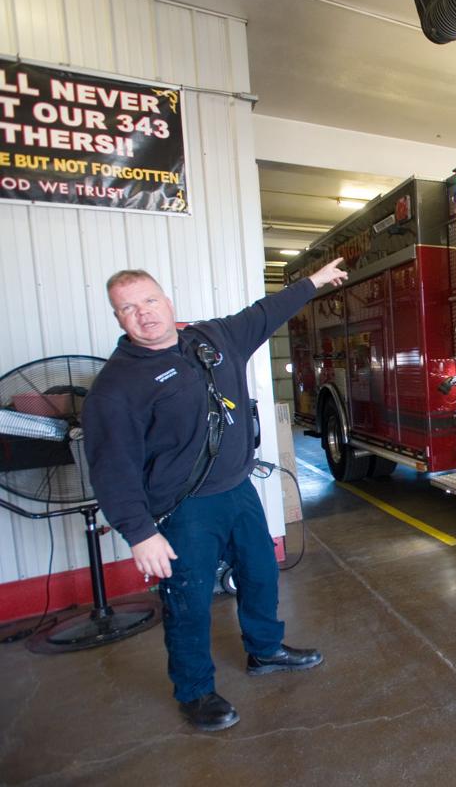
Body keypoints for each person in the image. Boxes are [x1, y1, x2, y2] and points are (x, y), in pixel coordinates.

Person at [83, 258, 348, 731]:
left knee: (262, 574)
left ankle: (264, 652)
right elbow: (111, 467)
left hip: (238, 489)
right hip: (184, 509)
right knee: (188, 601)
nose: (143, 313)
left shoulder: (214, 338)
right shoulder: (116, 386)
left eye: (148, 300)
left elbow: (266, 311)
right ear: (118, 319)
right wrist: (140, 533)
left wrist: (313, 282)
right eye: (128, 308)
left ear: (167, 301)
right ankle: (195, 691)